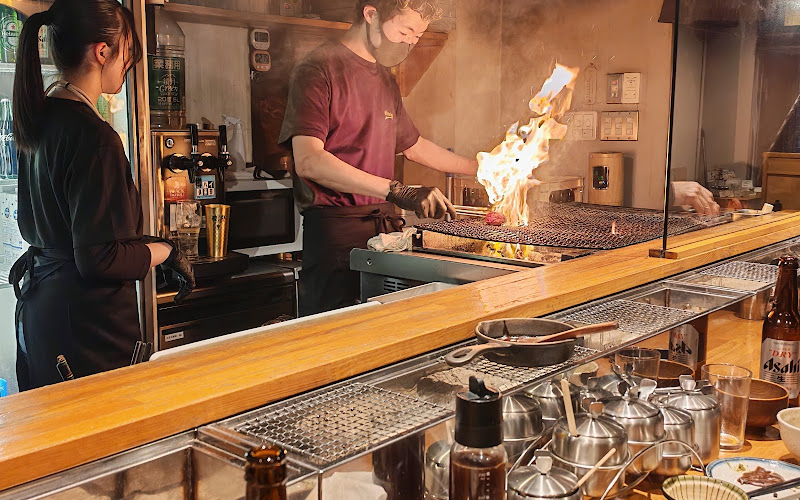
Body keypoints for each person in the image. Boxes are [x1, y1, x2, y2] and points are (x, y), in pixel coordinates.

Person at [10, 0, 194, 391]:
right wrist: (166, 251)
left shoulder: (40, 119)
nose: (129, 65)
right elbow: (99, 259)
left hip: (45, 315)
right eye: (128, 52)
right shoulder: (96, 138)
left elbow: (74, 235)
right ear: (102, 51)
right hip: (86, 330)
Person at [279, 0, 478, 316]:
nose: (411, 42)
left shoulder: (385, 79)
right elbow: (309, 161)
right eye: (405, 31)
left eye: (417, 35)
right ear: (370, 15)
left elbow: (413, 146)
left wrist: (481, 167)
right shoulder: (318, 70)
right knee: (338, 343)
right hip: (337, 238)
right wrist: (398, 191)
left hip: (384, 237)